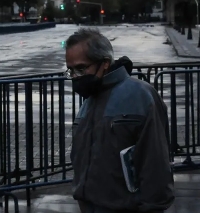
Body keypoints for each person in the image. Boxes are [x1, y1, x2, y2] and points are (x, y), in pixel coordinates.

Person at [65, 28, 174, 212]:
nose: (75, 76)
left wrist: (152, 207)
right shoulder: (90, 100)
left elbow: (155, 164)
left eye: (81, 68)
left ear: (105, 63)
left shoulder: (141, 95)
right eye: (71, 71)